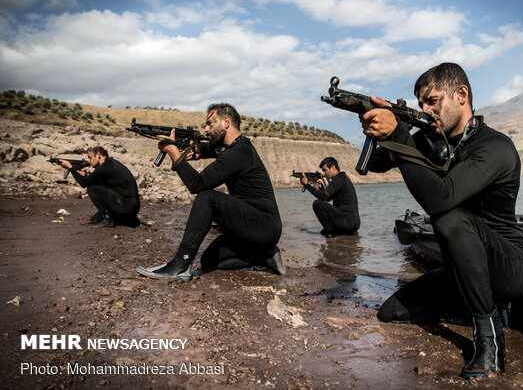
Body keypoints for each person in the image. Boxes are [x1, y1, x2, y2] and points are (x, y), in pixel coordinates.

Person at [358, 63, 523, 378]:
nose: (426, 110)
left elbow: (441, 198)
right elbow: (373, 164)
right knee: (392, 313)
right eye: (420, 104)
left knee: (448, 219)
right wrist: (381, 124)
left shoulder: (494, 146)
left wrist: (400, 134)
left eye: (432, 100)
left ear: (461, 94)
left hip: (510, 264)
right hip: (462, 267)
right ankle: (477, 305)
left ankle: (489, 338)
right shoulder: (431, 140)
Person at [136, 103, 284, 282]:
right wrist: (196, 150)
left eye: (210, 124)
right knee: (210, 260)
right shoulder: (236, 147)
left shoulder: (240, 152)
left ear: (226, 123)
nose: (205, 129)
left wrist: (173, 153)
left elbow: (197, 185)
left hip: (264, 226)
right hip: (250, 226)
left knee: (207, 198)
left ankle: (179, 265)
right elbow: (212, 148)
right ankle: (264, 255)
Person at [59, 146, 140, 228]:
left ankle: (108, 220)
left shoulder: (106, 167)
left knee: (92, 188)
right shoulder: (110, 164)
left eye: (90, 158)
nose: (88, 161)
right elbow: (101, 183)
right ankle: (125, 218)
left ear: (98, 156)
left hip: (127, 206)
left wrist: (70, 167)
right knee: (95, 219)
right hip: (132, 207)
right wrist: (88, 175)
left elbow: (85, 183)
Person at [300, 157, 360, 236]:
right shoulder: (341, 178)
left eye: (325, 170)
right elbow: (328, 198)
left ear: (333, 168)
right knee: (322, 231)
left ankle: (330, 231)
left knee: (317, 204)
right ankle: (333, 231)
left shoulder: (340, 177)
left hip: (348, 221)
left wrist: (306, 185)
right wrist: (320, 188)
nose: (324, 173)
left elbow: (323, 197)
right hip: (351, 223)